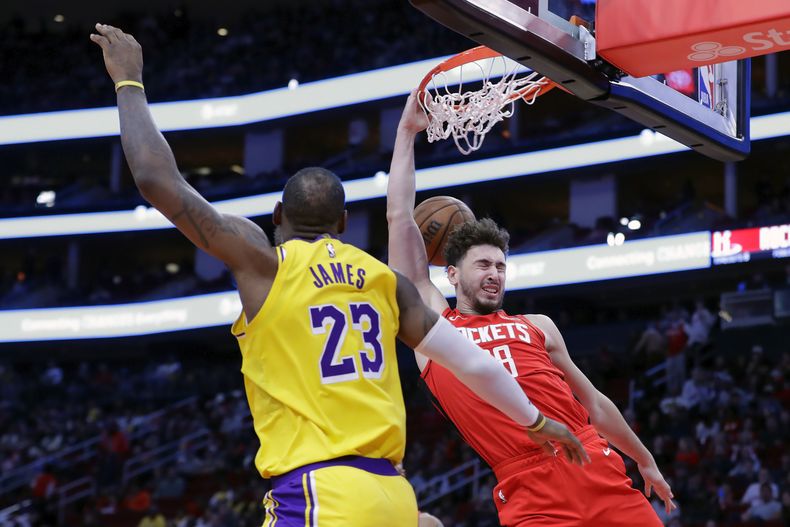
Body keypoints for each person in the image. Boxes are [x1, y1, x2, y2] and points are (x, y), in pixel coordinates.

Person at [91, 25, 588, 526]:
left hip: (318, 493)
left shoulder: (264, 262)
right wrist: (538, 420)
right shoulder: (383, 281)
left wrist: (128, 82)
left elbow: (156, 180)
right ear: (344, 223)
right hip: (393, 495)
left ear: (277, 215)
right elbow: (476, 364)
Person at [386, 91, 676, 527]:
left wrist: (644, 458)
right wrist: (406, 134)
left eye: (501, 266)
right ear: (451, 275)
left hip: (595, 463)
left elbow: (594, 402)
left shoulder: (539, 326)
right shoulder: (435, 328)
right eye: (483, 264)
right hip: (528, 482)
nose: (494, 274)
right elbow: (399, 219)